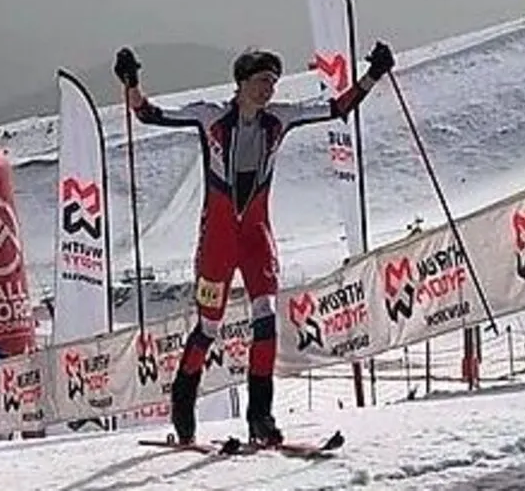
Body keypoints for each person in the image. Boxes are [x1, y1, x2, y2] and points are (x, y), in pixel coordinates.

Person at [114, 41, 395, 446]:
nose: (269, 90)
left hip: (257, 238)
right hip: (217, 241)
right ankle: (182, 401)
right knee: (209, 327)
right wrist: (131, 81)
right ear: (242, 82)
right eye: (263, 81)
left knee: (266, 320)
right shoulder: (209, 115)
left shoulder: (279, 118)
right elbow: (147, 114)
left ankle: (260, 415)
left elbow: (337, 108)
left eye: (274, 83)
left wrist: (374, 74)